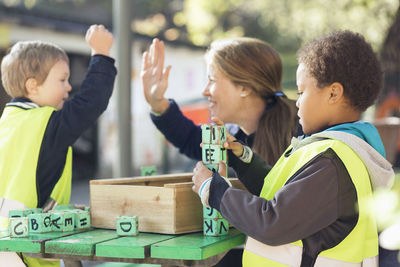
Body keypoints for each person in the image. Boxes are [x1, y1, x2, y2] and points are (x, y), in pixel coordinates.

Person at [192, 30, 394, 267]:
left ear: (333, 93)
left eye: (301, 92)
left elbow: (272, 221)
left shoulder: (332, 162)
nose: (297, 101)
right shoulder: (334, 150)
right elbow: (284, 196)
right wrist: (242, 157)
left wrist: (213, 190)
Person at [0, 24, 117, 267]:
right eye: (62, 79)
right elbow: (91, 102)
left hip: (8, 247)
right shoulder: (46, 124)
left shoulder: (8, 122)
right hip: (28, 253)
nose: (69, 87)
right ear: (33, 86)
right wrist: (102, 54)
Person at [141, 37, 300, 167]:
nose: (205, 91)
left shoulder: (302, 135)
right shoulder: (230, 136)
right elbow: (190, 138)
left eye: (212, 80)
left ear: (244, 87)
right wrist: (158, 103)